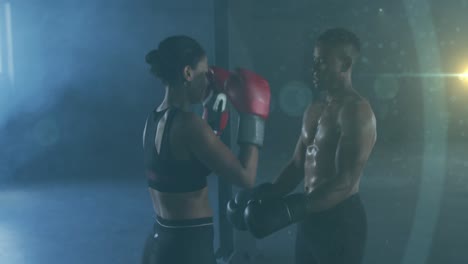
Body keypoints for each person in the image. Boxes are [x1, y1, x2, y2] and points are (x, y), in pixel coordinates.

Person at [227, 28, 377, 264]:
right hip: (309, 218)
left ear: (345, 64)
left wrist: (290, 210)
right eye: (314, 61)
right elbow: (298, 164)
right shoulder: (314, 109)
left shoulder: (356, 111)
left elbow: (346, 180)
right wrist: (265, 194)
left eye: (322, 62)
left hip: (341, 220)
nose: (314, 69)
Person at [140, 35, 270, 264]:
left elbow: (192, 166)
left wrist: (211, 108)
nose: (209, 81)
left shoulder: (153, 119)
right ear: (188, 73)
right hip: (188, 247)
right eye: (204, 73)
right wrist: (253, 116)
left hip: (159, 242)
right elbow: (246, 176)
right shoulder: (190, 124)